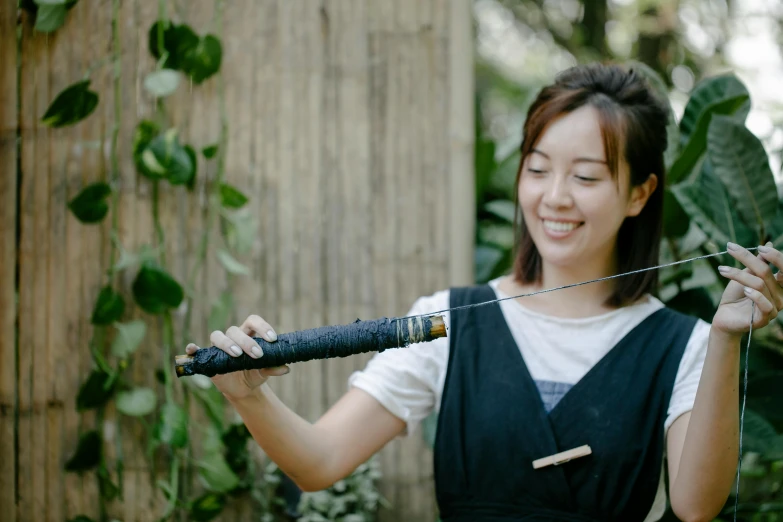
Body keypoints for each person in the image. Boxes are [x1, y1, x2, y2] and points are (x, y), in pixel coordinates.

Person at [185, 63, 783, 522]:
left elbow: (696, 506)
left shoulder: (689, 346)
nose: (554, 197)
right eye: (538, 167)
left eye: (585, 176)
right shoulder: (445, 321)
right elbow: (318, 462)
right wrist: (249, 398)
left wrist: (729, 339)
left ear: (639, 193)